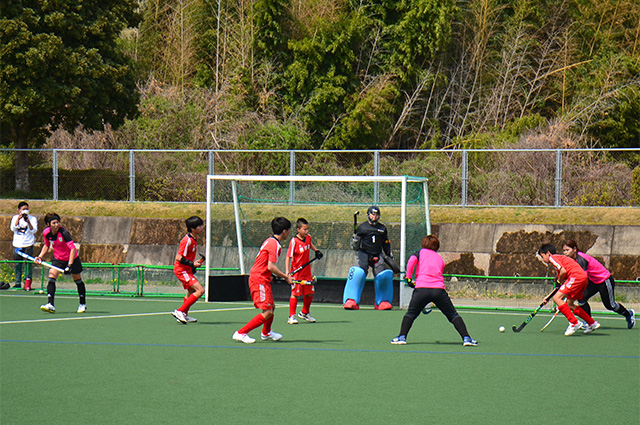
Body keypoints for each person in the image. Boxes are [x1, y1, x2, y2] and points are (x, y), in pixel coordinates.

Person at [391, 235, 478, 346]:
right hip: (438, 290)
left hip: (421, 289)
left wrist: (409, 278)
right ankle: (467, 338)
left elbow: (411, 261)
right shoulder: (439, 258)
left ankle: (402, 337)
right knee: (453, 315)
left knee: (411, 314)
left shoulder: (419, 253)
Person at [232, 217, 292, 344]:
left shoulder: (270, 241)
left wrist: (271, 276)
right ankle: (241, 333)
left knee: (272, 307)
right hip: (258, 279)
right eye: (288, 231)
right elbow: (271, 266)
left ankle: (266, 333)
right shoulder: (274, 244)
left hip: (262, 277)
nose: (289, 233)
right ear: (284, 231)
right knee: (268, 311)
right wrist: (285, 277)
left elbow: (264, 264)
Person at [563, 240, 635, 329]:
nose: (565, 253)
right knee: (581, 298)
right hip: (593, 281)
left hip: (604, 280)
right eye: (564, 251)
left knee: (610, 305)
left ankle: (629, 314)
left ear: (574, 249)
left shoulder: (581, 259)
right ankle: (589, 322)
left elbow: (582, 278)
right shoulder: (572, 260)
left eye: (567, 250)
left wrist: (571, 290)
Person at [537, 243, 599, 335]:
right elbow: (560, 285)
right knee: (569, 304)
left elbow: (563, 272)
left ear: (548, 253)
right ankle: (592, 323)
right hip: (583, 279)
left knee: (557, 299)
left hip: (576, 277)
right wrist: (548, 296)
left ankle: (574, 323)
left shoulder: (553, 258)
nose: (543, 259)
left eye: (542, 256)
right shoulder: (560, 260)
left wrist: (559, 282)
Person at [343, 206, 394, 310]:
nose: (374, 217)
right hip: (363, 254)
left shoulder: (382, 228)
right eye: (372, 214)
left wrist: (389, 254)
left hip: (377, 255)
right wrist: (355, 242)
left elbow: (385, 243)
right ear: (368, 214)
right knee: (357, 273)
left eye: (376, 214)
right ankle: (351, 299)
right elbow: (355, 243)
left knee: (382, 276)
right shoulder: (362, 227)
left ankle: (382, 301)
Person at [34, 213, 86, 313]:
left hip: (72, 259)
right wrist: (40, 257)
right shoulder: (46, 233)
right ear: (48, 224)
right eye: (54, 223)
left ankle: (82, 304)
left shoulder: (64, 233)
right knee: (51, 276)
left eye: (57, 222)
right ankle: (50, 304)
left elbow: (73, 249)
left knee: (77, 280)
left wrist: (69, 265)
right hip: (58, 258)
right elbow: (46, 245)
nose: (56, 225)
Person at [285, 218, 322, 324]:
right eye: (304, 229)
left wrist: (316, 250)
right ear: (298, 229)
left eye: (307, 229)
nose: (307, 231)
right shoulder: (294, 241)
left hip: (307, 272)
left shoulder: (308, 238)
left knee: (310, 293)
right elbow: (288, 257)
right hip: (296, 272)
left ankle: (305, 312)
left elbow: (309, 244)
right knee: (295, 294)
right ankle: (291, 316)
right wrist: (287, 272)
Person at [171, 216, 206, 324]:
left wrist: (194, 265)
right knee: (200, 291)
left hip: (187, 270)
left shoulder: (194, 238)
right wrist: (192, 264)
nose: (202, 227)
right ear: (192, 228)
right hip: (182, 270)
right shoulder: (187, 241)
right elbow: (178, 257)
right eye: (199, 226)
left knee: (191, 292)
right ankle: (180, 311)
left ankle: (184, 314)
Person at [10, 201, 38, 290]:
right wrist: (18, 219)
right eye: (23, 209)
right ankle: (17, 282)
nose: (25, 211)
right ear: (19, 210)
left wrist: (28, 221)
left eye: (27, 209)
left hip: (28, 244)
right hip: (17, 244)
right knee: (18, 264)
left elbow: (34, 230)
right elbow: (13, 228)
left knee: (28, 264)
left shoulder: (32, 219)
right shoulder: (15, 218)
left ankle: (27, 283)